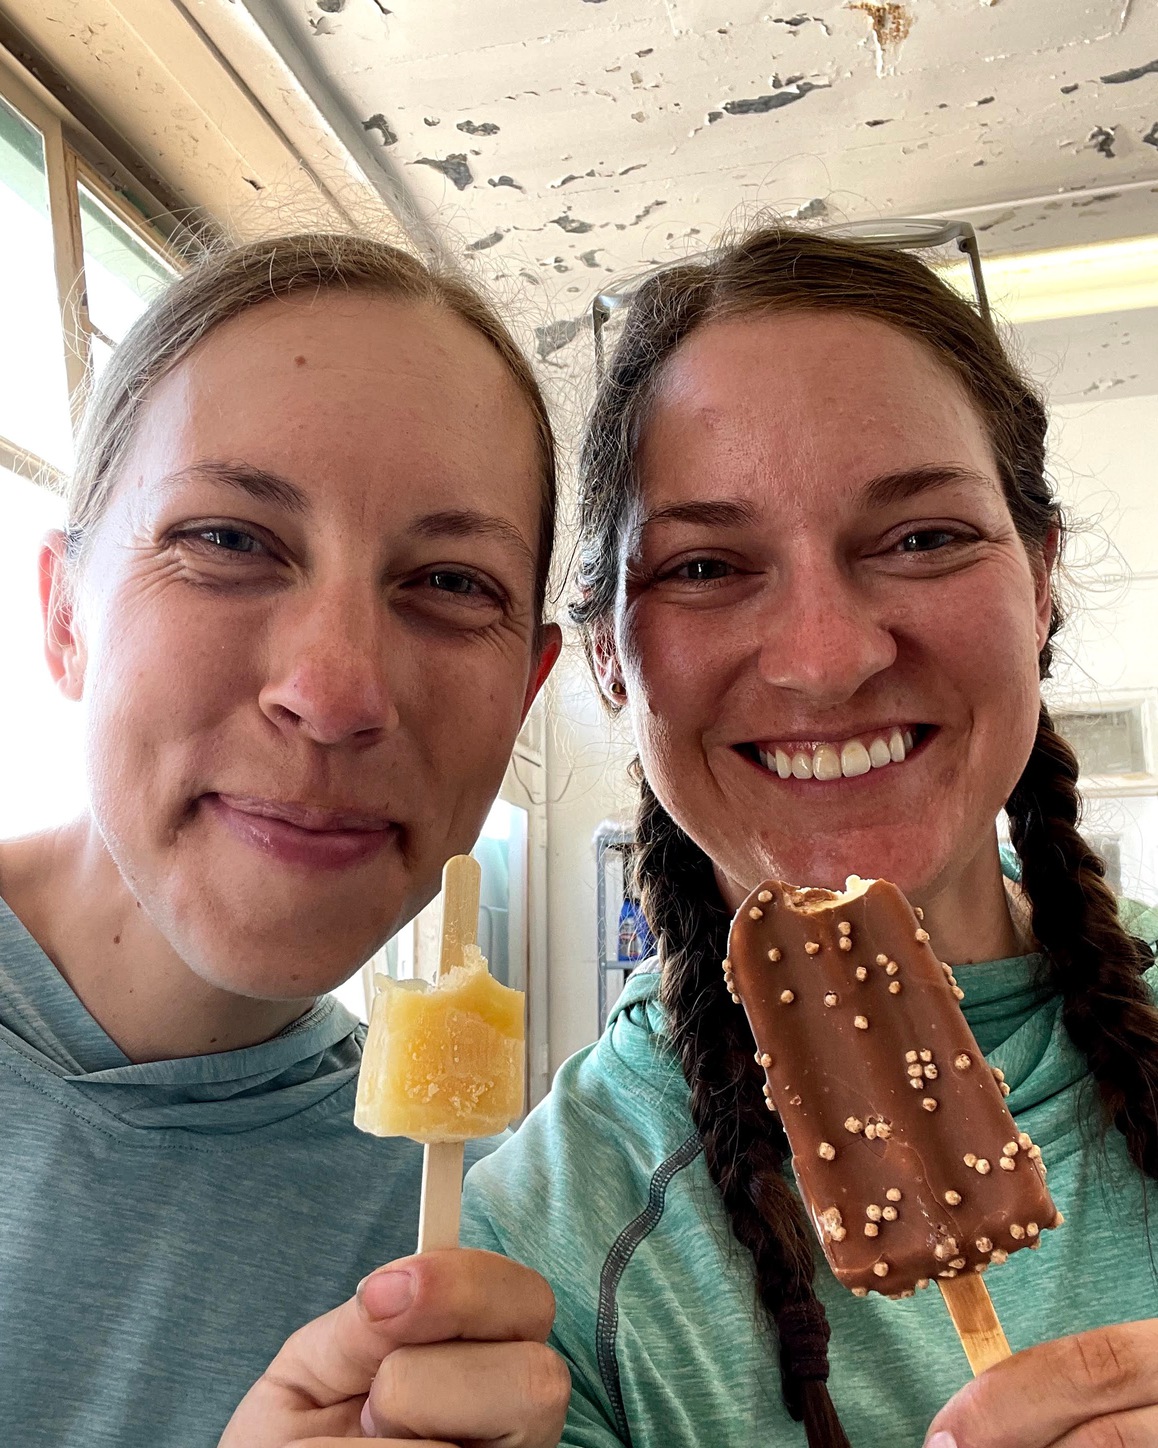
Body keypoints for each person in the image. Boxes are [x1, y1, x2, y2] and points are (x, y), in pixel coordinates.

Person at [461, 227, 1158, 1448]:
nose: (829, 660)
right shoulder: (539, 1253)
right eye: (709, 564)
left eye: (924, 536)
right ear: (611, 657)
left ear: (1040, 580)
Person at [0, 232, 568, 1448]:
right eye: (228, 540)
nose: (336, 687)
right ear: (63, 615)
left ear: (526, 691)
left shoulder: (459, 1246)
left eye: (453, 582)